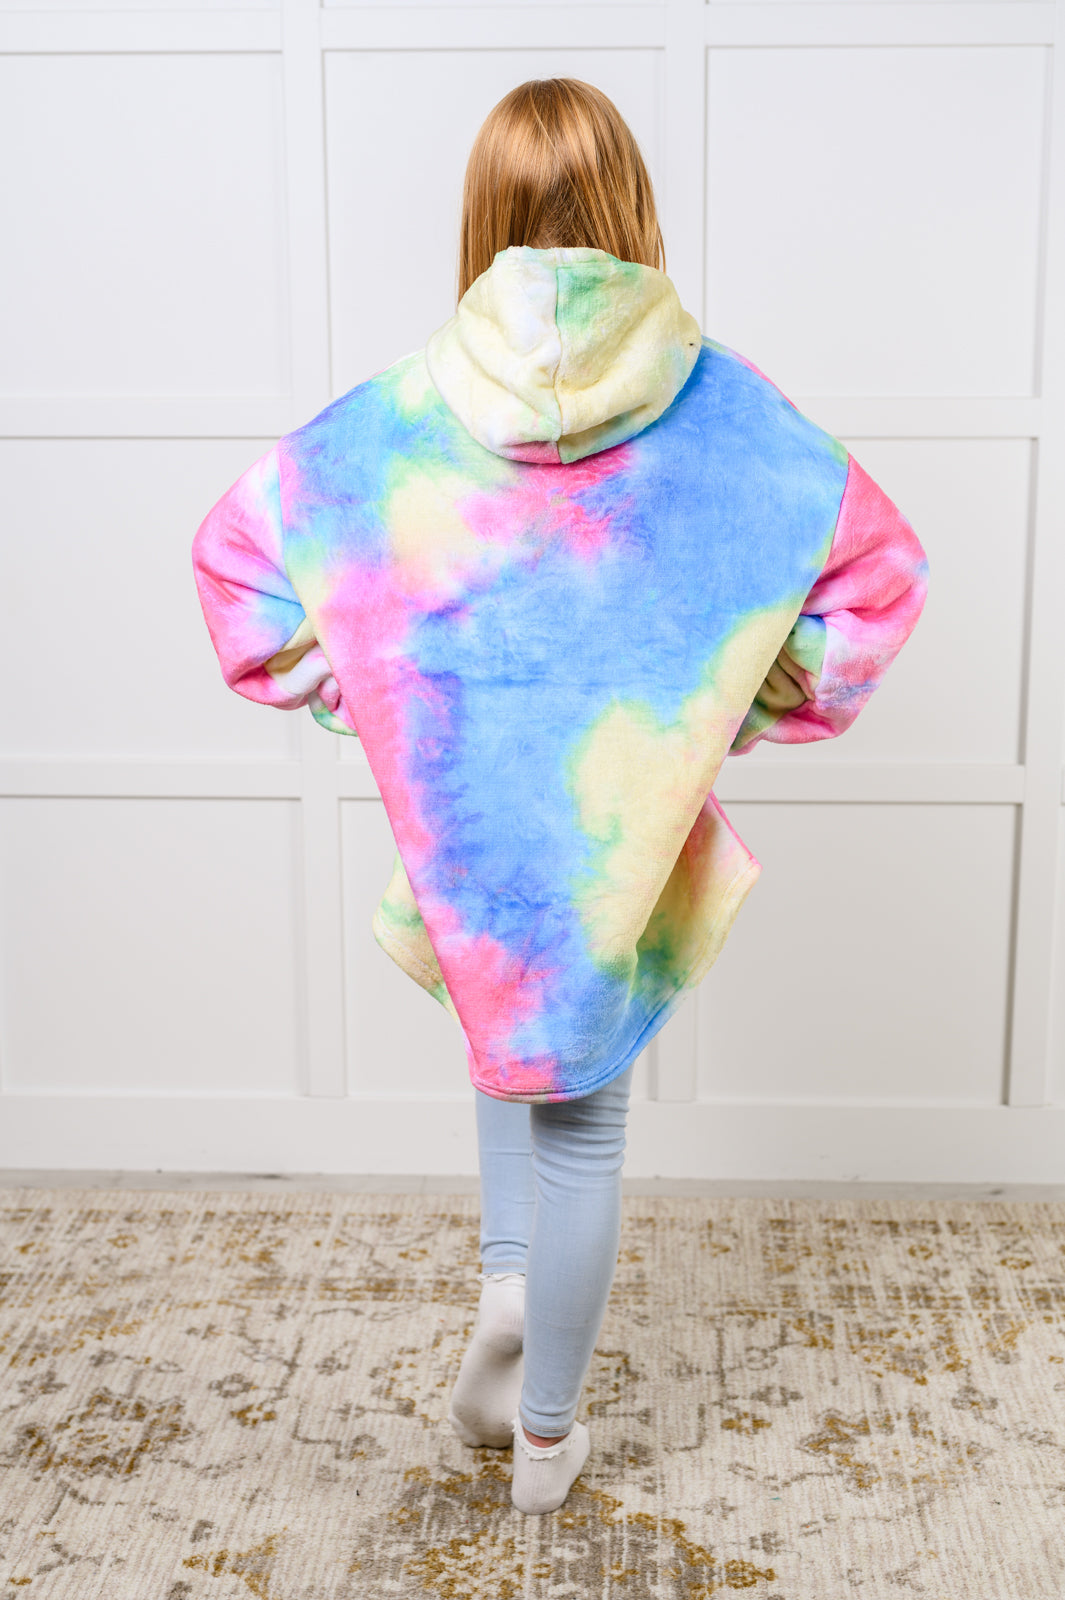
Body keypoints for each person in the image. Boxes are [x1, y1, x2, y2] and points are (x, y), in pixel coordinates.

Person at [191, 78, 929, 1515]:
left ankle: (506, 1289)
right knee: (581, 1116)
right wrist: (723, 710)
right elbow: (876, 582)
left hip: (468, 830)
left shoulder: (398, 415)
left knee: (498, 1034)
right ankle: (545, 1441)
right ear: (634, 208)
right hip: (618, 837)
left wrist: (379, 703)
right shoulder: (731, 413)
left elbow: (240, 565)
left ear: (481, 214)